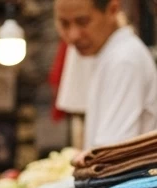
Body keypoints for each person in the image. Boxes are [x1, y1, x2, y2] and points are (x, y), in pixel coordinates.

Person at [55, 0, 157, 149]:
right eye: (64, 24)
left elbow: (109, 155)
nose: (73, 35)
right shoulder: (109, 55)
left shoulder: (124, 60)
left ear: (112, 10)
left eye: (83, 22)